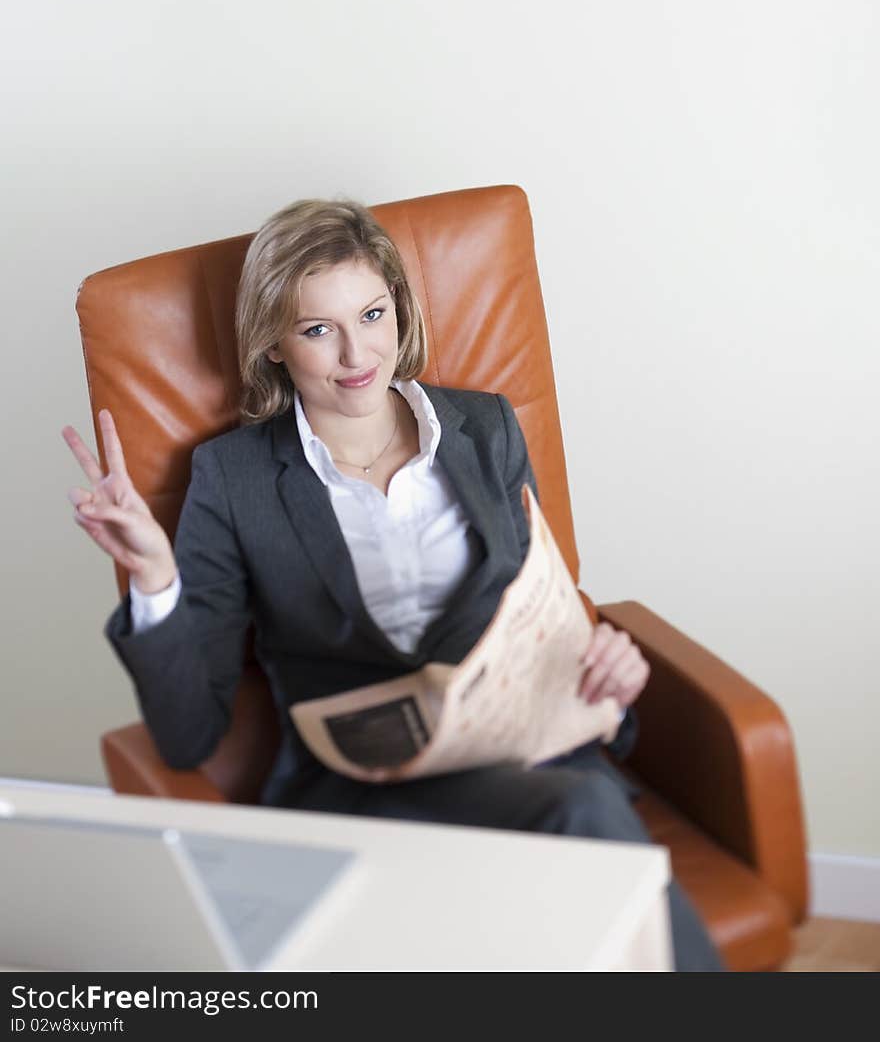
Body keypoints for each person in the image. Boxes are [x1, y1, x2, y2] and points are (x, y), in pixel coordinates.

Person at [63, 197, 724, 972]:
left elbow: (541, 608)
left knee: (581, 813)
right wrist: (154, 575)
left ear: (400, 311)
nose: (356, 354)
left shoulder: (487, 429)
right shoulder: (233, 476)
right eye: (318, 329)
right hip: (370, 792)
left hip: (522, 756)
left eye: (373, 314)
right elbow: (186, 733)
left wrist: (604, 674)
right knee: (584, 816)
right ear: (272, 343)